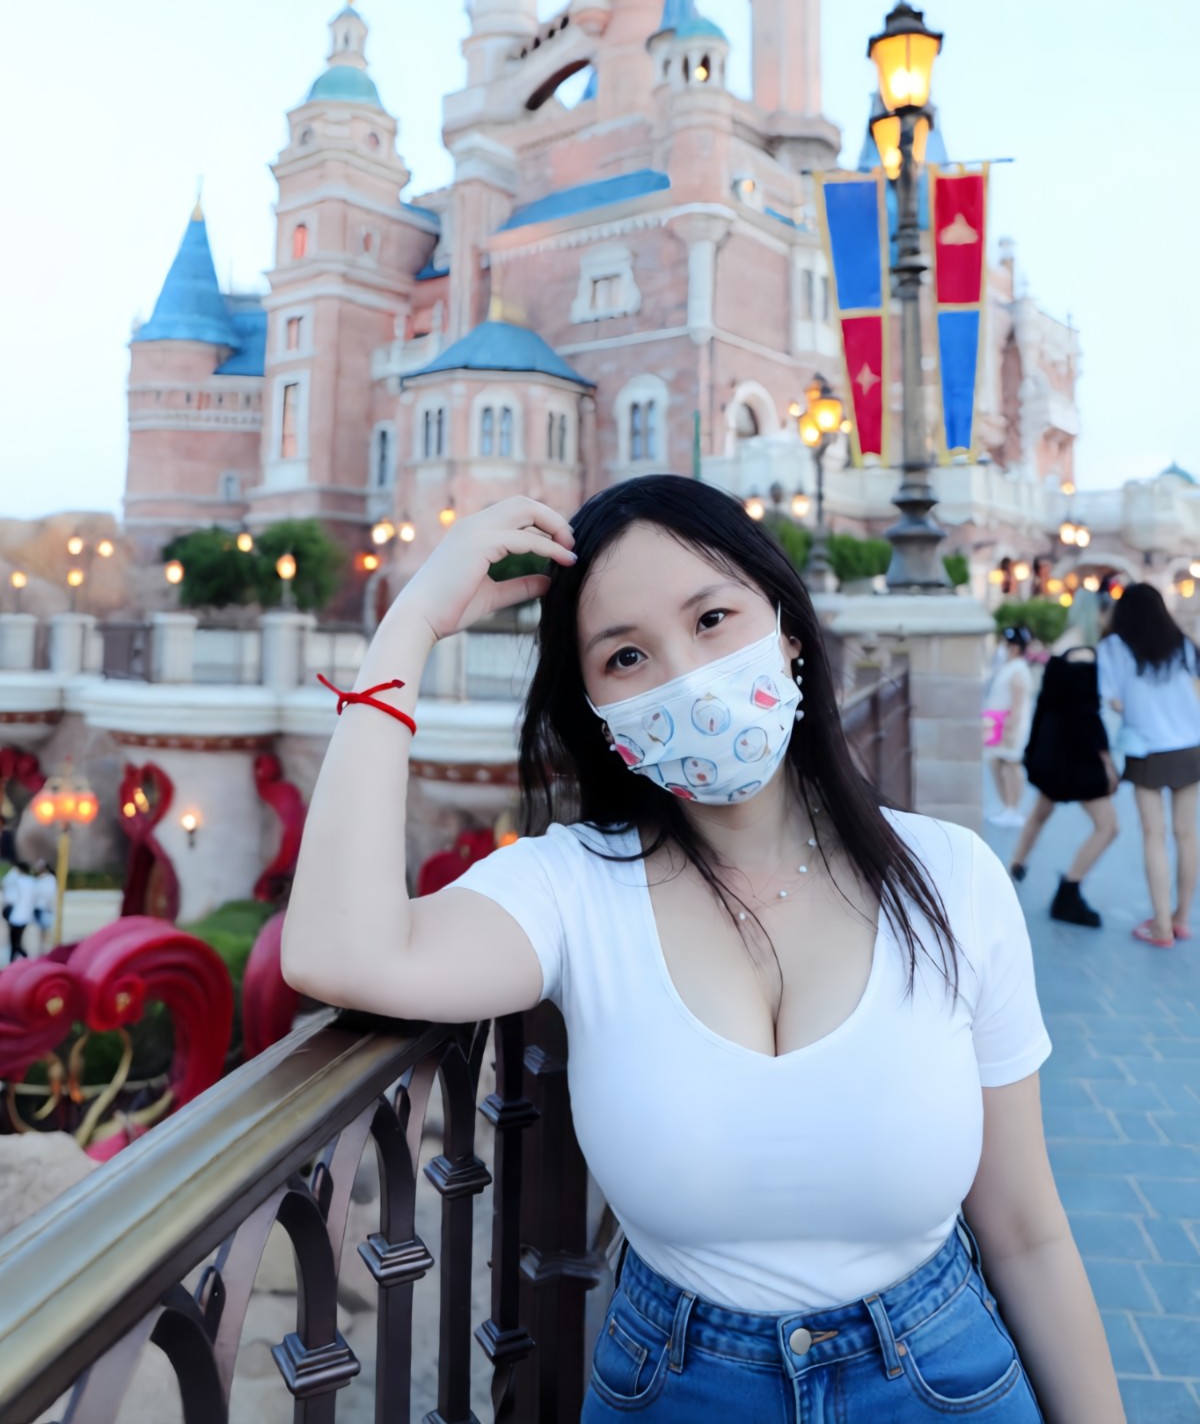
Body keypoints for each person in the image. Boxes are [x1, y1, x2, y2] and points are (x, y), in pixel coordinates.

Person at [282, 480, 1122, 1422]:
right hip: (680, 1384)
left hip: (944, 1377)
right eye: (626, 655)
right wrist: (411, 623)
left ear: (787, 629)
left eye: (713, 619)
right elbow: (338, 950)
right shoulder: (573, 889)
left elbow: (1027, 1232)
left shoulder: (952, 879)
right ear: (597, 711)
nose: (685, 678)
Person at [1098, 581, 1200, 947]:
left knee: (1154, 836)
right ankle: (1181, 919)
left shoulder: (1113, 646)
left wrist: (1137, 705)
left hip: (1146, 748)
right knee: (1187, 834)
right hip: (1190, 745)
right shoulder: (1182, 643)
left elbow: (1111, 699)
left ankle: (1161, 927)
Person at [1010, 595, 1120, 927]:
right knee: (1108, 827)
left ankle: (1016, 865)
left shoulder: (1059, 648)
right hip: (1076, 757)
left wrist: (1033, 751)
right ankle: (1069, 892)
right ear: (1097, 614)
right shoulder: (1085, 655)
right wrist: (1106, 761)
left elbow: (1044, 706)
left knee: (1041, 811)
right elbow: (1088, 717)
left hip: (1052, 752)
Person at [982, 626, 1034, 827]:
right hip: (997, 724)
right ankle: (1007, 807)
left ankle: (1013, 809)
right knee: (996, 762)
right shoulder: (1008, 666)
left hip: (1009, 725)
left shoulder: (1018, 669)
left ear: (1014, 647)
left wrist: (1011, 728)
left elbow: (1018, 700)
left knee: (1011, 765)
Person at [2, 860, 36, 962]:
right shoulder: (32, 881)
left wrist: (13, 872)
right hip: (26, 915)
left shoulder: (17, 881)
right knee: (17, 941)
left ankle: (20, 959)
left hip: (16, 915)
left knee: (15, 942)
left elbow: (8, 891)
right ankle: (21, 959)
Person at [31, 858, 58, 951]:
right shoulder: (40, 879)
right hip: (39, 908)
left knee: (46, 933)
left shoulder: (49, 879)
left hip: (45, 908)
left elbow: (49, 895)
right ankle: (42, 949)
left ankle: (45, 950)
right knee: (41, 933)